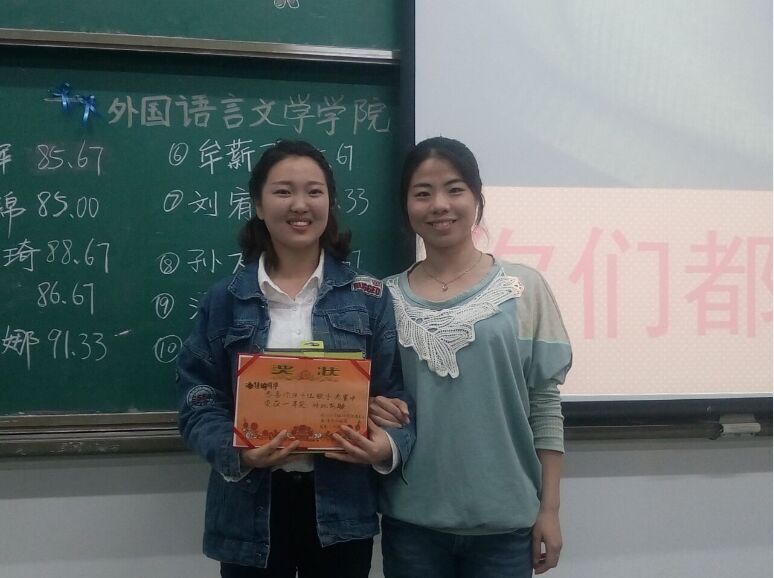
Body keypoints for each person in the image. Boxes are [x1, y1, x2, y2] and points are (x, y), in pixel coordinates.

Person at [176, 139, 415, 578]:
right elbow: (198, 396)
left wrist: (388, 446)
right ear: (258, 204)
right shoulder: (224, 300)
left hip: (342, 509)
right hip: (249, 509)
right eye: (283, 191)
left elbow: (397, 398)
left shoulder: (369, 296)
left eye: (314, 191)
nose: (300, 205)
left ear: (330, 203)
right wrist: (238, 451)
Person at [373, 137, 572, 578]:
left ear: (477, 198)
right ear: (406, 206)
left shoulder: (524, 288)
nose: (439, 205)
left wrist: (550, 510)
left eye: (454, 189)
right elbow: (375, 397)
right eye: (422, 193)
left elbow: (544, 404)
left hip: (506, 523)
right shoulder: (384, 299)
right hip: (413, 523)